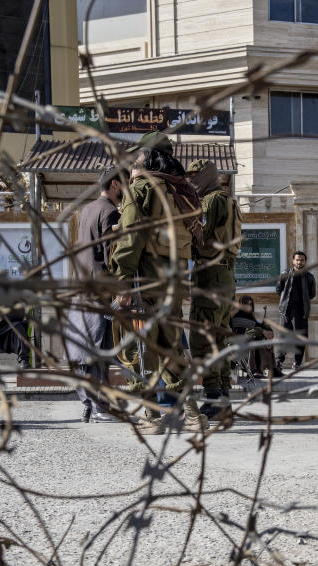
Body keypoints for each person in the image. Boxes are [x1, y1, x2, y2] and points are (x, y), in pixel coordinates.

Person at [111, 131, 208, 434]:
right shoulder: (182, 192)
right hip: (174, 280)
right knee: (171, 347)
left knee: (134, 348)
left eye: (137, 155)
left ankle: (150, 417)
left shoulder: (141, 189)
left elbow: (130, 240)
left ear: (147, 157)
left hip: (145, 278)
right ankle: (192, 415)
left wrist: (122, 283)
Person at [65, 165, 124, 423]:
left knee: (83, 347)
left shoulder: (86, 210)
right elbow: (111, 254)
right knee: (99, 348)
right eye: (122, 185)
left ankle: (88, 402)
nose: (124, 190)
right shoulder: (110, 212)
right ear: (114, 185)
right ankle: (98, 405)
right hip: (99, 290)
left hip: (80, 288)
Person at [186, 159, 241, 419]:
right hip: (224, 275)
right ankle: (223, 400)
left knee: (203, 341)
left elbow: (200, 235)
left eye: (195, 176)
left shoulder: (210, 201)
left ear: (207, 175)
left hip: (211, 275)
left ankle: (213, 402)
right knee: (218, 341)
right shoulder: (227, 199)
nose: (191, 181)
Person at [274, 250, 315, 370]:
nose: (299, 262)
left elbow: (312, 294)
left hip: (301, 311)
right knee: (283, 337)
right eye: (297, 260)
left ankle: (297, 363)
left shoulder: (309, 277)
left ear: (305, 262)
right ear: (293, 261)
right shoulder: (285, 274)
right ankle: (278, 362)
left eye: (302, 260)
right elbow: (278, 289)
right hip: (286, 310)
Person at [230, 295, 281, 378]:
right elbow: (246, 332)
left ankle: (272, 369)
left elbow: (259, 325)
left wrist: (268, 330)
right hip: (241, 348)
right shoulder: (237, 316)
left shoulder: (251, 316)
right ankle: (253, 370)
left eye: (250, 304)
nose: (249, 306)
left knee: (265, 341)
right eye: (246, 304)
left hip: (253, 345)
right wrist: (262, 331)